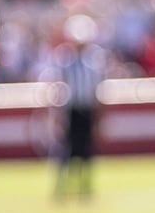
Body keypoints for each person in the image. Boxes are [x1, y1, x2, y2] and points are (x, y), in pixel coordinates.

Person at [44, 13, 103, 201]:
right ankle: (61, 187)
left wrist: (98, 118)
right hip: (71, 110)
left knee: (86, 150)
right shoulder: (64, 60)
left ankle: (85, 187)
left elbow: (97, 92)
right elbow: (58, 88)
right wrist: (57, 114)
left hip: (85, 109)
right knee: (65, 151)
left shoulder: (94, 61)